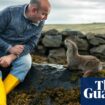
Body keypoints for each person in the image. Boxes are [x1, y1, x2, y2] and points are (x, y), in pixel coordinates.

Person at [0, 0, 51, 104]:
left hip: (16, 53)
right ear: (33, 10)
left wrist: (11, 56)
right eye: (44, 14)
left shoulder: (40, 21)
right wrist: (9, 48)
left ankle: (2, 95)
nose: (45, 18)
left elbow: (32, 44)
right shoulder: (9, 13)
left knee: (26, 62)